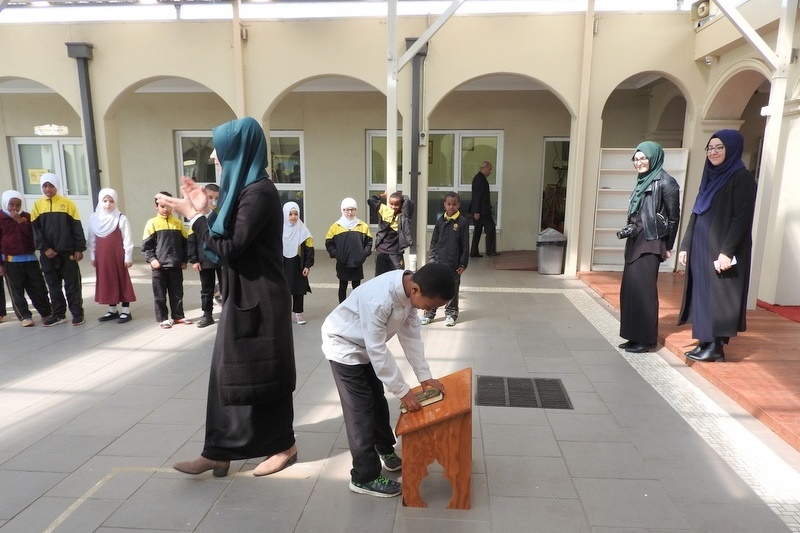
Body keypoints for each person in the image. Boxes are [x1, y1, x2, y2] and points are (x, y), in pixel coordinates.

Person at [165, 117, 297, 478]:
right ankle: (218, 451)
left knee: (265, 373)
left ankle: (283, 445)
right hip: (243, 294)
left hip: (261, 298)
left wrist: (195, 217)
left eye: (220, 151)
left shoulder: (260, 193)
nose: (213, 156)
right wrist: (202, 206)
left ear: (239, 152)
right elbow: (226, 231)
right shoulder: (246, 190)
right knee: (227, 374)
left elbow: (230, 246)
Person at [322, 262, 455, 498]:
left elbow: (411, 336)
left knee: (377, 400)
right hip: (344, 346)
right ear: (415, 290)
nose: (428, 310)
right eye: (431, 305)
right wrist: (403, 390)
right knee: (361, 411)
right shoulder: (380, 299)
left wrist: (425, 377)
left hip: (365, 347)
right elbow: (377, 350)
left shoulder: (410, 289)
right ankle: (364, 477)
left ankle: (384, 448)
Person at [678, 129, 757, 362]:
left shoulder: (742, 178)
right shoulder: (710, 176)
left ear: (732, 149)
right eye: (710, 148)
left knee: (719, 297)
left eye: (719, 147)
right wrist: (685, 244)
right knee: (702, 293)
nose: (713, 152)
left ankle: (716, 347)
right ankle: (705, 340)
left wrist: (726, 252)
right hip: (702, 247)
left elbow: (741, 219)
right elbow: (696, 212)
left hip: (722, 250)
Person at [617, 142, 680, 353]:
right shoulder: (643, 181)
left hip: (651, 242)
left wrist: (668, 245)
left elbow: (673, 217)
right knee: (631, 290)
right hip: (636, 240)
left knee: (644, 293)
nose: (639, 162)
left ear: (654, 158)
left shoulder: (666, 182)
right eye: (636, 158)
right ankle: (633, 335)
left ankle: (646, 339)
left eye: (643, 158)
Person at [30, 173, 86, 326]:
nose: (48, 189)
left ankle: (77, 313)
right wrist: (45, 248)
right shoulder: (37, 205)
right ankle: (59, 314)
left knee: (72, 285)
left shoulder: (68, 204)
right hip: (48, 256)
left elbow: (76, 227)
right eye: (45, 186)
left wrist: (79, 248)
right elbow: (35, 230)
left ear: (57, 186)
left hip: (67, 253)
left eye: (51, 186)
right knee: (53, 286)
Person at [0, 190, 52, 327]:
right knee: (16, 291)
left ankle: (46, 312)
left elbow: (32, 236)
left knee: (38, 287)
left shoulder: (27, 217)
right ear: (5, 203)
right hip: (11, 261)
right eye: (11, 204)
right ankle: (24, 316)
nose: (14, 208)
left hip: (30, 259)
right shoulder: (1, 218)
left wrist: (20, 222)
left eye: (18, 204)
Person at [142, 191, 191, 329]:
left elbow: (185, 243)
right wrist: (152, 259)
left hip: (175, 265)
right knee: (160, 295)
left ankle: (178, 316)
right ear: (156, 207)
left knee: (177, 293)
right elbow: (147, 246)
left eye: (168, 206)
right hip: (159, 267)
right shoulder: (151, 223)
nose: (165, 209)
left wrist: (184, 260)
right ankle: (163, 318)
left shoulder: (178, 223)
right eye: (162, 206)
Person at [88, 188, 137, 324]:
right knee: (107, 280)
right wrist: (93, 255)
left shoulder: (121, 218)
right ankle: (113, 309)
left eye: (111, 201)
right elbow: (91, 238)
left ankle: (126, 310)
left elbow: (127, 238)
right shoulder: (94, 218)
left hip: (117, 255)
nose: (108, 204)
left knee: (121, 279)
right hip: (102, 256)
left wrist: (128, 256)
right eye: (104, 201)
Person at [422, 192, 470, 327]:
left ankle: (451, 313)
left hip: (453, 263)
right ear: (444, 205)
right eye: (449, 204)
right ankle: (430, 313)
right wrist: (432, 257)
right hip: (438, 261)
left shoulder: (462, 222)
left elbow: (465, 245)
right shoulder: (440, 221)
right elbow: (434, 241)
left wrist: (463, 263)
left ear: (459, 205)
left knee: (452, 289)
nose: (451, 207)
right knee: (434, 288)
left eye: (454, 204)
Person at [188, 184, 223, 328]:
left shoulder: (222, 215)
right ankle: (207, 314)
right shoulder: (198, 217)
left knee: (226, 286)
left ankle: (228, 312)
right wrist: (194, 259)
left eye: (216, 198)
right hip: (205, 259)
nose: (213, 201)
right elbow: (191, 239)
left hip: (221, 258)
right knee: (206, 289)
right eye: (210, 198)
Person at [325, 197, 372, 303]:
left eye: (353, 209)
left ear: (356, 210)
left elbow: (369, 243)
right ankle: (342, 307)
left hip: (357, 262)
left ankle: (356, 306)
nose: (350, 212)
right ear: (342, 210)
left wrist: (363, 255)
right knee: (343, 285)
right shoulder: (335, 226)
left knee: (357, 287)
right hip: (343, 262)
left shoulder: (363, 226)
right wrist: (337, 255)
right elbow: (329, 243)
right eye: (347, 210)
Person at [367, 190, 414, 276]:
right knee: (380, 278)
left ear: (401, 205)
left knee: (398, 277)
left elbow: (409, 203)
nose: (393, 207)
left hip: (396, 253)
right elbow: (371, 200)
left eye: (396, 205)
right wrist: (383, 195)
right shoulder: (384, 210)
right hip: (381, 251)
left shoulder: (403, 216)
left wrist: (401, 197)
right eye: (391, 204)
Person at [282, 201, 314, 325]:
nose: (293, 217)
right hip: (283, 265)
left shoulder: (304, 231)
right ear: (285, 214)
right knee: (284, 290)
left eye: (296, 214)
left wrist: (307, 265)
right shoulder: (279, 231)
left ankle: (298, 313)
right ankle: (284, 314)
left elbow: (309, 250)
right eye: (290, 214)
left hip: (297, 265)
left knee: (298, 289)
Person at [469, 160, 499, 257]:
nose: (490, 172)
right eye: (489, 169)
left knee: (477, 231)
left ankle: (474, 252)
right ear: (484, 168)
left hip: (480, 210)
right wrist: (477, 211)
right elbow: (477, 196)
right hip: (482, 212)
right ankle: (490, 251)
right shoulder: (480, 179)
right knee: (491, 228)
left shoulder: (479, 178)